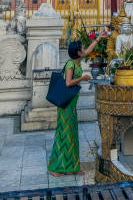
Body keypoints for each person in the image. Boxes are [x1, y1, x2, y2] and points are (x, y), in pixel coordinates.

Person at [48, 30, 108, 178]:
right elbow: (68, 83)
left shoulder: (77, 61)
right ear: (77, 52)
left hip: (72, 104)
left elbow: (89, 50)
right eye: (81, 48)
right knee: (63, 134)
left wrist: (99, 38)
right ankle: (54, 167)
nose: (83, 50)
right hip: (65, 105)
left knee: (73, 134)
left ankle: (72, 166)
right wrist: (82, 78)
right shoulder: (70, 64)